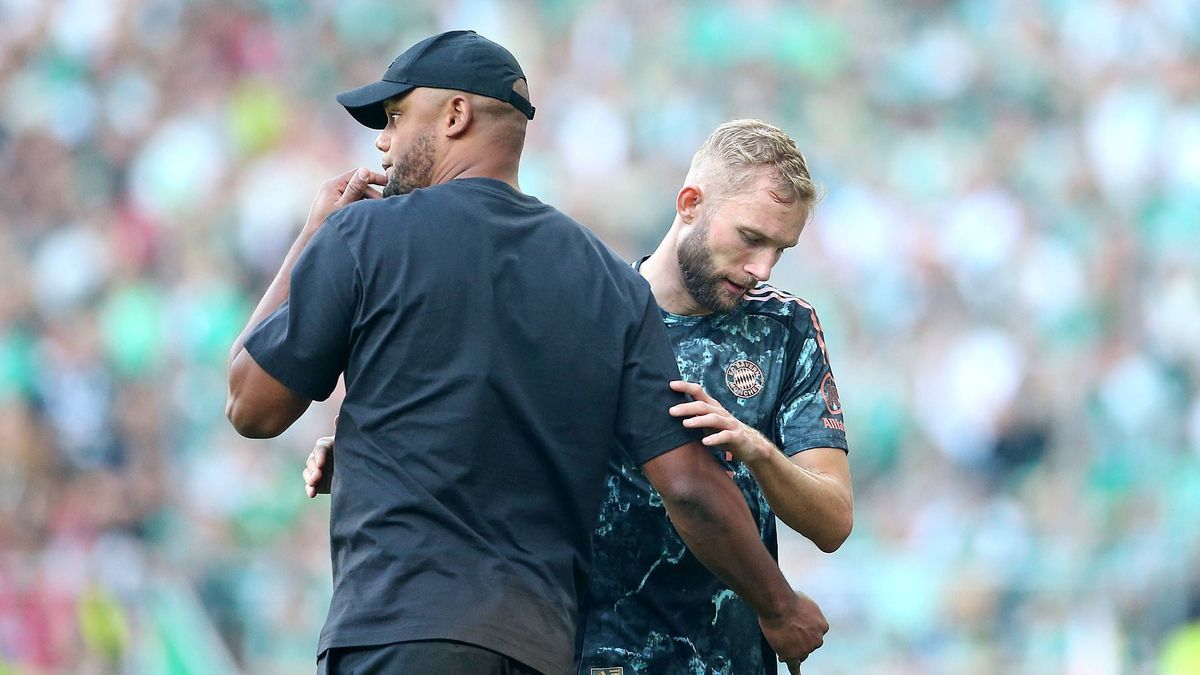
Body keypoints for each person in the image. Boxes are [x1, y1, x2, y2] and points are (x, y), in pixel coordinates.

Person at [227, 30, 826, 675]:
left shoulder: (365, 234)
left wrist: (314, 234)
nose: (383, 141)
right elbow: (688, 484)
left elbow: (251, 405)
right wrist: (778, 605)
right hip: (540, 650)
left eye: (396, 117)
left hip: (400, 628)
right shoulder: (609, 281)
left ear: (455, 115)